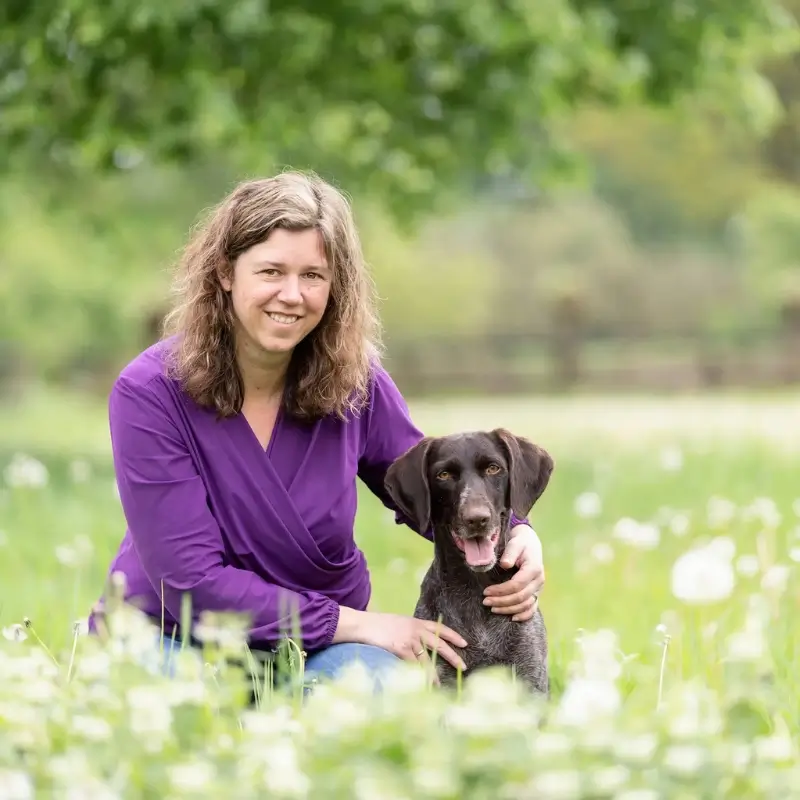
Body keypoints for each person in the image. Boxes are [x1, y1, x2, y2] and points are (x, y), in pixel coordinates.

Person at [89, 171, 547, 690]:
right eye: (270, 271)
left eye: (313, 275)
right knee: (177, 713)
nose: (292, 294)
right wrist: (361, 624)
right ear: (224, 272)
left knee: (387, 699)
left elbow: (431, 483)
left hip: (316, 650)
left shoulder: (357, 383)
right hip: (171, 636)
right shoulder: (150, 392)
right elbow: (189, 582)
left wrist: (521, 535)